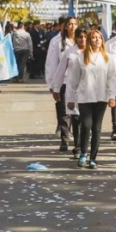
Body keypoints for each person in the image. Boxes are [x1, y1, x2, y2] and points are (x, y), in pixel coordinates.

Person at [66, 29, 116, 169]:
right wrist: (70, 98)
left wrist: (112, 96)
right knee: (86, 125)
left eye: (99, 38)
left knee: (96, 128)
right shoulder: (81, 57)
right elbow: (73, 80)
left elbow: (111, 78)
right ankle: (83, 152)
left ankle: (93, 157)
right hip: (84, 97)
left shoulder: (108, 57)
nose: (96, 40)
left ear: (102, 40)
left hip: (101, 97)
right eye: (93, 38)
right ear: (90, 40)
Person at [51, 27, 88, 159]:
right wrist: (55, 88)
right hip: (73, 89)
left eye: (85, 37)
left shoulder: (94, 51)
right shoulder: (70, 52)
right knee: (76, 118)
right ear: (76, 38)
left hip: (90, 90)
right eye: (80, 37)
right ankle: (78, 146)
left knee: (87, 121)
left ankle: (85, 146)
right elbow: (60, 70)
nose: (82, 39)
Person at [45, 16, 78, 151]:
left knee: (77, 113)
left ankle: (78, 141)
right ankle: (64, 139)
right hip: (64, 81)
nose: (72, 27)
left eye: (74, 24)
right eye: (69, 24)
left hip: (80, 82)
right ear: (65, 26)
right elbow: (52, 64)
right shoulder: (57, 41)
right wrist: (53, 85)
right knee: (64, 112)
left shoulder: (83, 40)